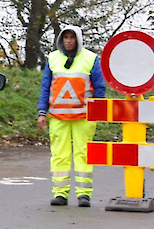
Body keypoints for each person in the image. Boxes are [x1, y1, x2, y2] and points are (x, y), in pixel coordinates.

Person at [37, 25, 105, 207]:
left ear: (78, 39)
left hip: (84, 117)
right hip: (58, 117)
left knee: (84, 154)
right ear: (61, 39)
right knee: (60, 156)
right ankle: (60, 193)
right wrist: (42, 112)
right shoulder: (52, 59)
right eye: (65, 37)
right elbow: (45, 87)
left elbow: (100, 88)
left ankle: (84, 194)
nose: (68, 40)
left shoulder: (91, 59)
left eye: (72, 37)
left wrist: (98, 110)